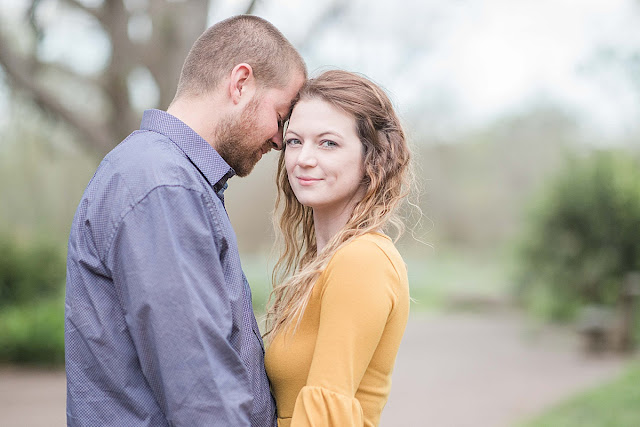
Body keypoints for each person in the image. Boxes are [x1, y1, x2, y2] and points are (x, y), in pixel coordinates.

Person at [65, 15, 306, 426]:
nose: (280, 140)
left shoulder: (167, 178)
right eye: (281, 117)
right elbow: (202, 393)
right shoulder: (163, 186)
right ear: (240, 83)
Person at [264, 70, 412, 427]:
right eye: (295, 141)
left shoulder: (362, 260)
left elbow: (326, 415)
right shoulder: (325, 262)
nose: (303, 158)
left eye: (328, 143)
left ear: (372, 158)